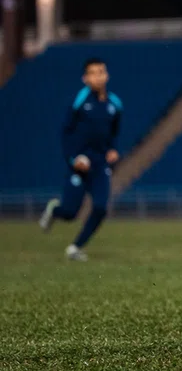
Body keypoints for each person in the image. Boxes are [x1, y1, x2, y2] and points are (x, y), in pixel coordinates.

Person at [39, 58, 122, 261]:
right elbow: (66, 132)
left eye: (101, 72)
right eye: (93, 73)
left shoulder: (115, 104)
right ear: (85, 78)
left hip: (100, 163)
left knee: (101, 207)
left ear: (107, 75)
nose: (98, 76)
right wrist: (73, 158)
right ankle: (55, 210)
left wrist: (112, 150)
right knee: (70, 212)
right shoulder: (80, 101)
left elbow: (113, 132)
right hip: (80, 164)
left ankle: (75, 247)